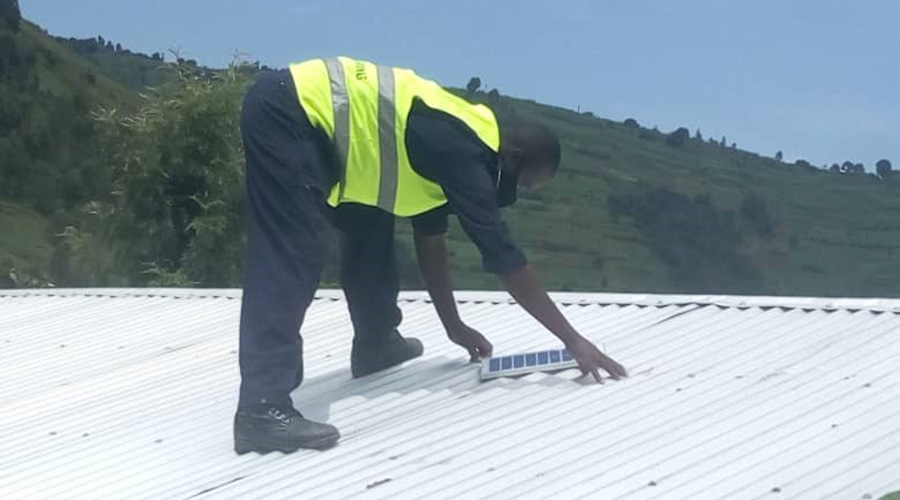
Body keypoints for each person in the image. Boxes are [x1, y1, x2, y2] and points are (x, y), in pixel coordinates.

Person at [234, 56, 628, 455]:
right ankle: (261, 411)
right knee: (290, 252)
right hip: (290, 113)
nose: (516, 195)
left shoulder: (452, 149)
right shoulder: (466, 153)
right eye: (524, 185)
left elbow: (431, 242)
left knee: (369, 221)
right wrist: (573, 340)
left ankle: (376, 344)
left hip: (326, 142)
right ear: (512, 156)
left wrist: (454, 326)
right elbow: (503, 256)